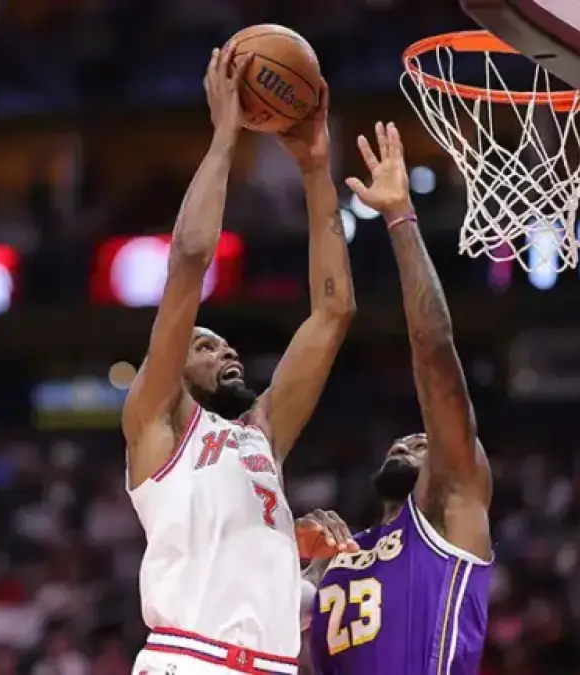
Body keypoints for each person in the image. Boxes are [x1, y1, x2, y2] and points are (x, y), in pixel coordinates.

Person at [123, 46, 358, 675]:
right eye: (204, 345)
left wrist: (316, 169)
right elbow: (188, 262)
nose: (225, 349)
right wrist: (226, 136)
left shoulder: (261, 434)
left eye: (225, 344)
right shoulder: (158, 423)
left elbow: (333, 313)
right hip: (191, 661)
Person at [306, 122, 494, 674]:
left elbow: (433, 347)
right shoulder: (340, 555)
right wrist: (291, 567)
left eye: (423, 440)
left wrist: (399, 218)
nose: (410, 440)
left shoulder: (451, 505)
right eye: (405, 438)